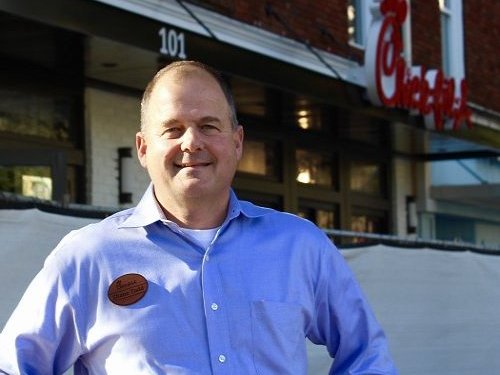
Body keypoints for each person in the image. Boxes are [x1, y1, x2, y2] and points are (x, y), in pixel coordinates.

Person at [0, 60, 398, 374]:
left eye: (208, 125)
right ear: (142, 148)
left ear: (237, 142)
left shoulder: (300, 247)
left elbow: (368, 356)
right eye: (172, 129)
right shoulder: (88, 257)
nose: (192, 143)